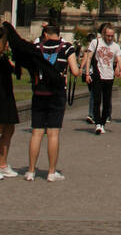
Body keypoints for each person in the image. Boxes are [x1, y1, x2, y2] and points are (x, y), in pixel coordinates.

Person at [25, 22, 81, 181]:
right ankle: (51, 172)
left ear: (45, 34)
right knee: (53, 133)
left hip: (39, 92)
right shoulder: (67, 48)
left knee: (36, 133)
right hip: (56, 94)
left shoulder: (37, 47)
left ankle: (30, 171)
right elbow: (75, 71)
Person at [83, 23, 121, 134]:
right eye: (108, 35)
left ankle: (103, 122)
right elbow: (89, 57)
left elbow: (119, 59)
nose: (110, 38)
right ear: (104, 34)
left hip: (109, 76)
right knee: (97, 100)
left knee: (106, 102)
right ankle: (98, 124)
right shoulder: (95, 43)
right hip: (97, 75)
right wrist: (87, 74)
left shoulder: (115, 46)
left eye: (112, 36)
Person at [0, 24, 20, 177]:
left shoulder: (4, 57)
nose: (6, 44)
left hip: (6, 96)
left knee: (9, 128)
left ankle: (2, 164)